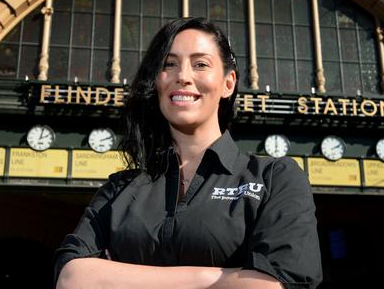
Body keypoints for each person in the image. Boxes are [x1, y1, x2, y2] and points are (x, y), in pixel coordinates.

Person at [54, 18, 322, 288]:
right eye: (169, 64)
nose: (182, 76)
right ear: (156, 82)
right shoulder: (119, 189)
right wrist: (221, 277)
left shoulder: (275, 178)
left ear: (228, 84)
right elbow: (72, 277)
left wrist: (114, 277)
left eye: (200, 64)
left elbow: (280, 283)